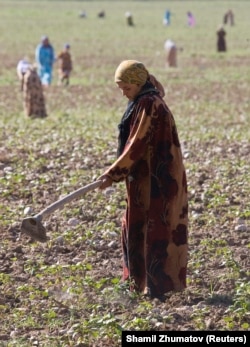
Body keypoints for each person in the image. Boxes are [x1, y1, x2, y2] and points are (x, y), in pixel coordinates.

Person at [97, 60, 188, 299]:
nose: (123, 93)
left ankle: (155, 287)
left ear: (138, 83)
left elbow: (136, 144)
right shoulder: (144, 100)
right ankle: (140, 285)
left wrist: (114, 173)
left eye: (126, 87)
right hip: (148, 177)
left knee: (152, 229)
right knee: (137, 226)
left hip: (157, 180)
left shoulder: (149, 104)